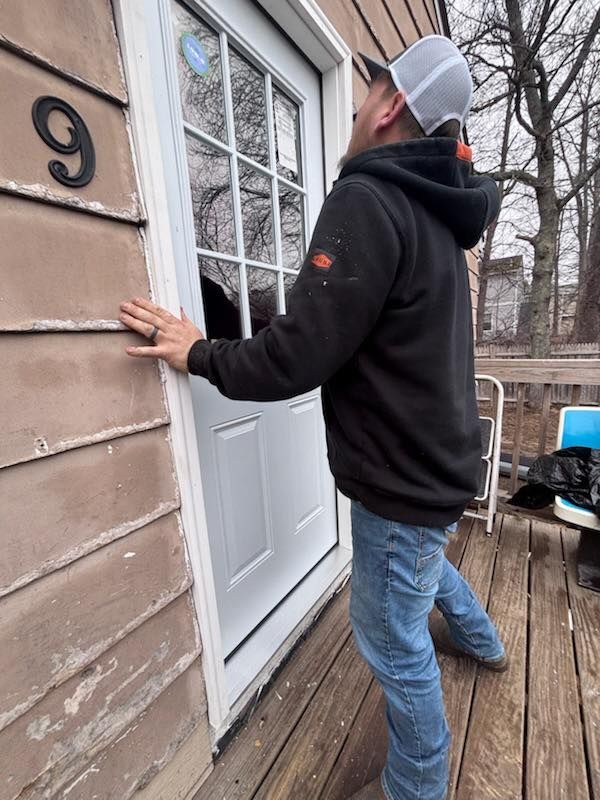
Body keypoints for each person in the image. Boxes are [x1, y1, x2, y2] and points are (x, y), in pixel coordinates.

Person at [120, 34, 506, 800]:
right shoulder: (438, 217)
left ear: (390, 105)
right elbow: (364, 333)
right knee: (420, 563)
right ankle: (485, 641)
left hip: (402, 481)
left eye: (371, 90)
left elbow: (298, 357)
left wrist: (199, 351)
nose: (358, 104)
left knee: (393, 638)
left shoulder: (370, 198)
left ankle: (418, 787)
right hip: (440, 466)